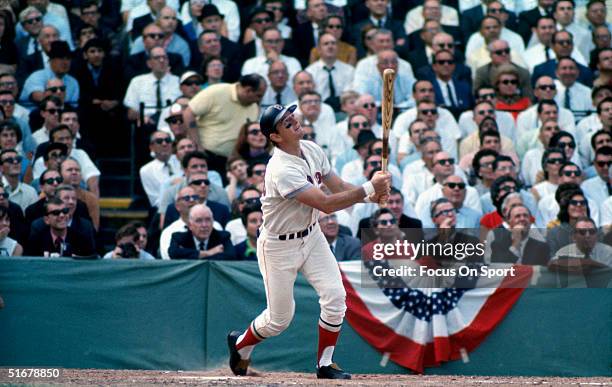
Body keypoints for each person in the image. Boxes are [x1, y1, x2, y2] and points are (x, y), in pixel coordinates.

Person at [227, 104, 390, 379]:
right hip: (278, 245)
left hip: (311, 234)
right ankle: (241, 344)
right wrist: (370, 188)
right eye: (284, 122)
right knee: (280, 319)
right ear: (275, 136)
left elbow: (338, 188)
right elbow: (326, 203)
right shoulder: (280, 168)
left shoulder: (311, 149)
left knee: (336, 297)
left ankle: (325, 365)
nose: (292, 120)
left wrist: (370, 196)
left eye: (291, 116)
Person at [183, 73, 266, 175]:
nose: (260, 100)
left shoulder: (254, 108)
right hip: (205, 155)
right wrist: (198, 146)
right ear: (248, 90)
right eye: (259, 95)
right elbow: (188, 113)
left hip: (230, 163)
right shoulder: (217, 92)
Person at [485, 204, 550, 265]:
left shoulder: (541, 247)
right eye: (517, 216)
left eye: (525, 216)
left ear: (530, 222)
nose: (522, 219)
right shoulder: (497, 244)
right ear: (509, 222)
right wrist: (516, 243)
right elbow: (499, 270)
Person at [168, 203, 235, 260]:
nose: (204, 225)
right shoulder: (179, 238)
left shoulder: (223, 237)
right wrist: (208, 253)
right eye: (199, 220)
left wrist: (192, 255)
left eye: (208, 220)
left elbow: (231, 256)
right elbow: (173, 253)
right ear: (190, 225)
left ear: (213, 222)